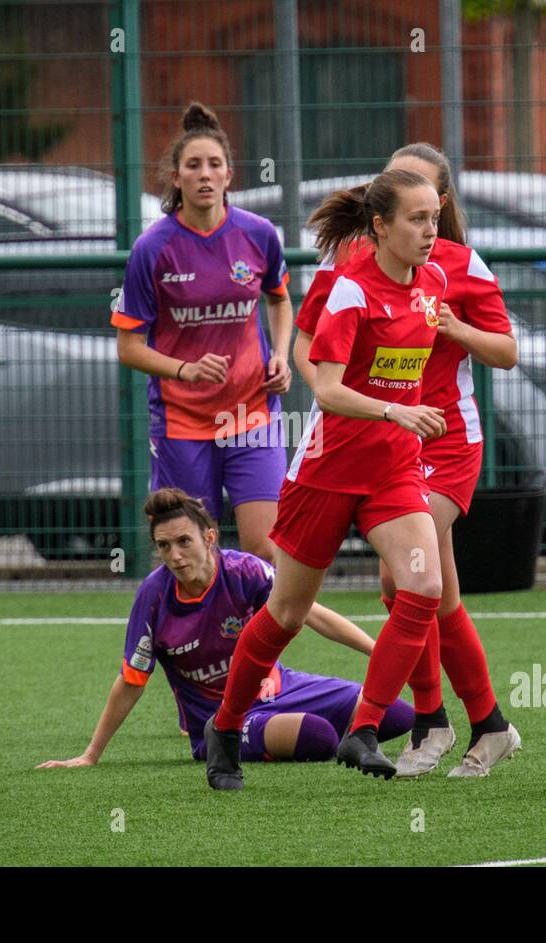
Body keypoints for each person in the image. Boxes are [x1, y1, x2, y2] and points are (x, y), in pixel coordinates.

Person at [203, 168, 450, 790]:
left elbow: (411, 367)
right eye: (417, 220)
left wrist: (419, 413)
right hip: (328, 472)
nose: (430, 230)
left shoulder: (434, 283)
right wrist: (398, 409)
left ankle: (363, 729)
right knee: (286, 612)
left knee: (422, 585)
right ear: (380, 227)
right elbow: (332, 388)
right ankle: (226, 727)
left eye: (434, 217)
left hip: (393, 470)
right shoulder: (349, 292)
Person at [292, 143, 522, 779]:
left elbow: (506, 350)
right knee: (425, 584)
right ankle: (476, 724)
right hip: (388, 440)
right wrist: (326, 391)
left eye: (424, 195)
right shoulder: (356, 263)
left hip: (446, 440)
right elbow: (309, 335)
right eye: (397, 189)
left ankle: (438, 722)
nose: (415, 210)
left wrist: (457, 330)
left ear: (440, 203)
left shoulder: (456, 265)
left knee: (408, 580)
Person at [112, 101, 373, 657]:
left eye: (214, 165)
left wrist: (278, 356)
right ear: (176, 177)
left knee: (263, 551)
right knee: (192, 556)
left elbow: (280, 302)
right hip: (182, 423)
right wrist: (183, 368)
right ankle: (204, 667)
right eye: (193, 166)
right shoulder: (152, 249)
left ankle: (261, 662)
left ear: (230, 174)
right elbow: (129, 347)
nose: (205, 175)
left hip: (251, 417)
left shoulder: (257, 235)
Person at [36, 489, 414, 770]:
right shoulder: (153, 597)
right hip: (222, 721)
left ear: (209, 538)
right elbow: (132, 681)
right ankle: (238, 740)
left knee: (398, 715)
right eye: (163, 546)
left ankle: (331, 731)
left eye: (184, 541)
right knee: (317, 736)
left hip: (284, 688)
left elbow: (312, 613)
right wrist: (90, 755)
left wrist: (379, 651)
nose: (175, 555)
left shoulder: (245, 571)